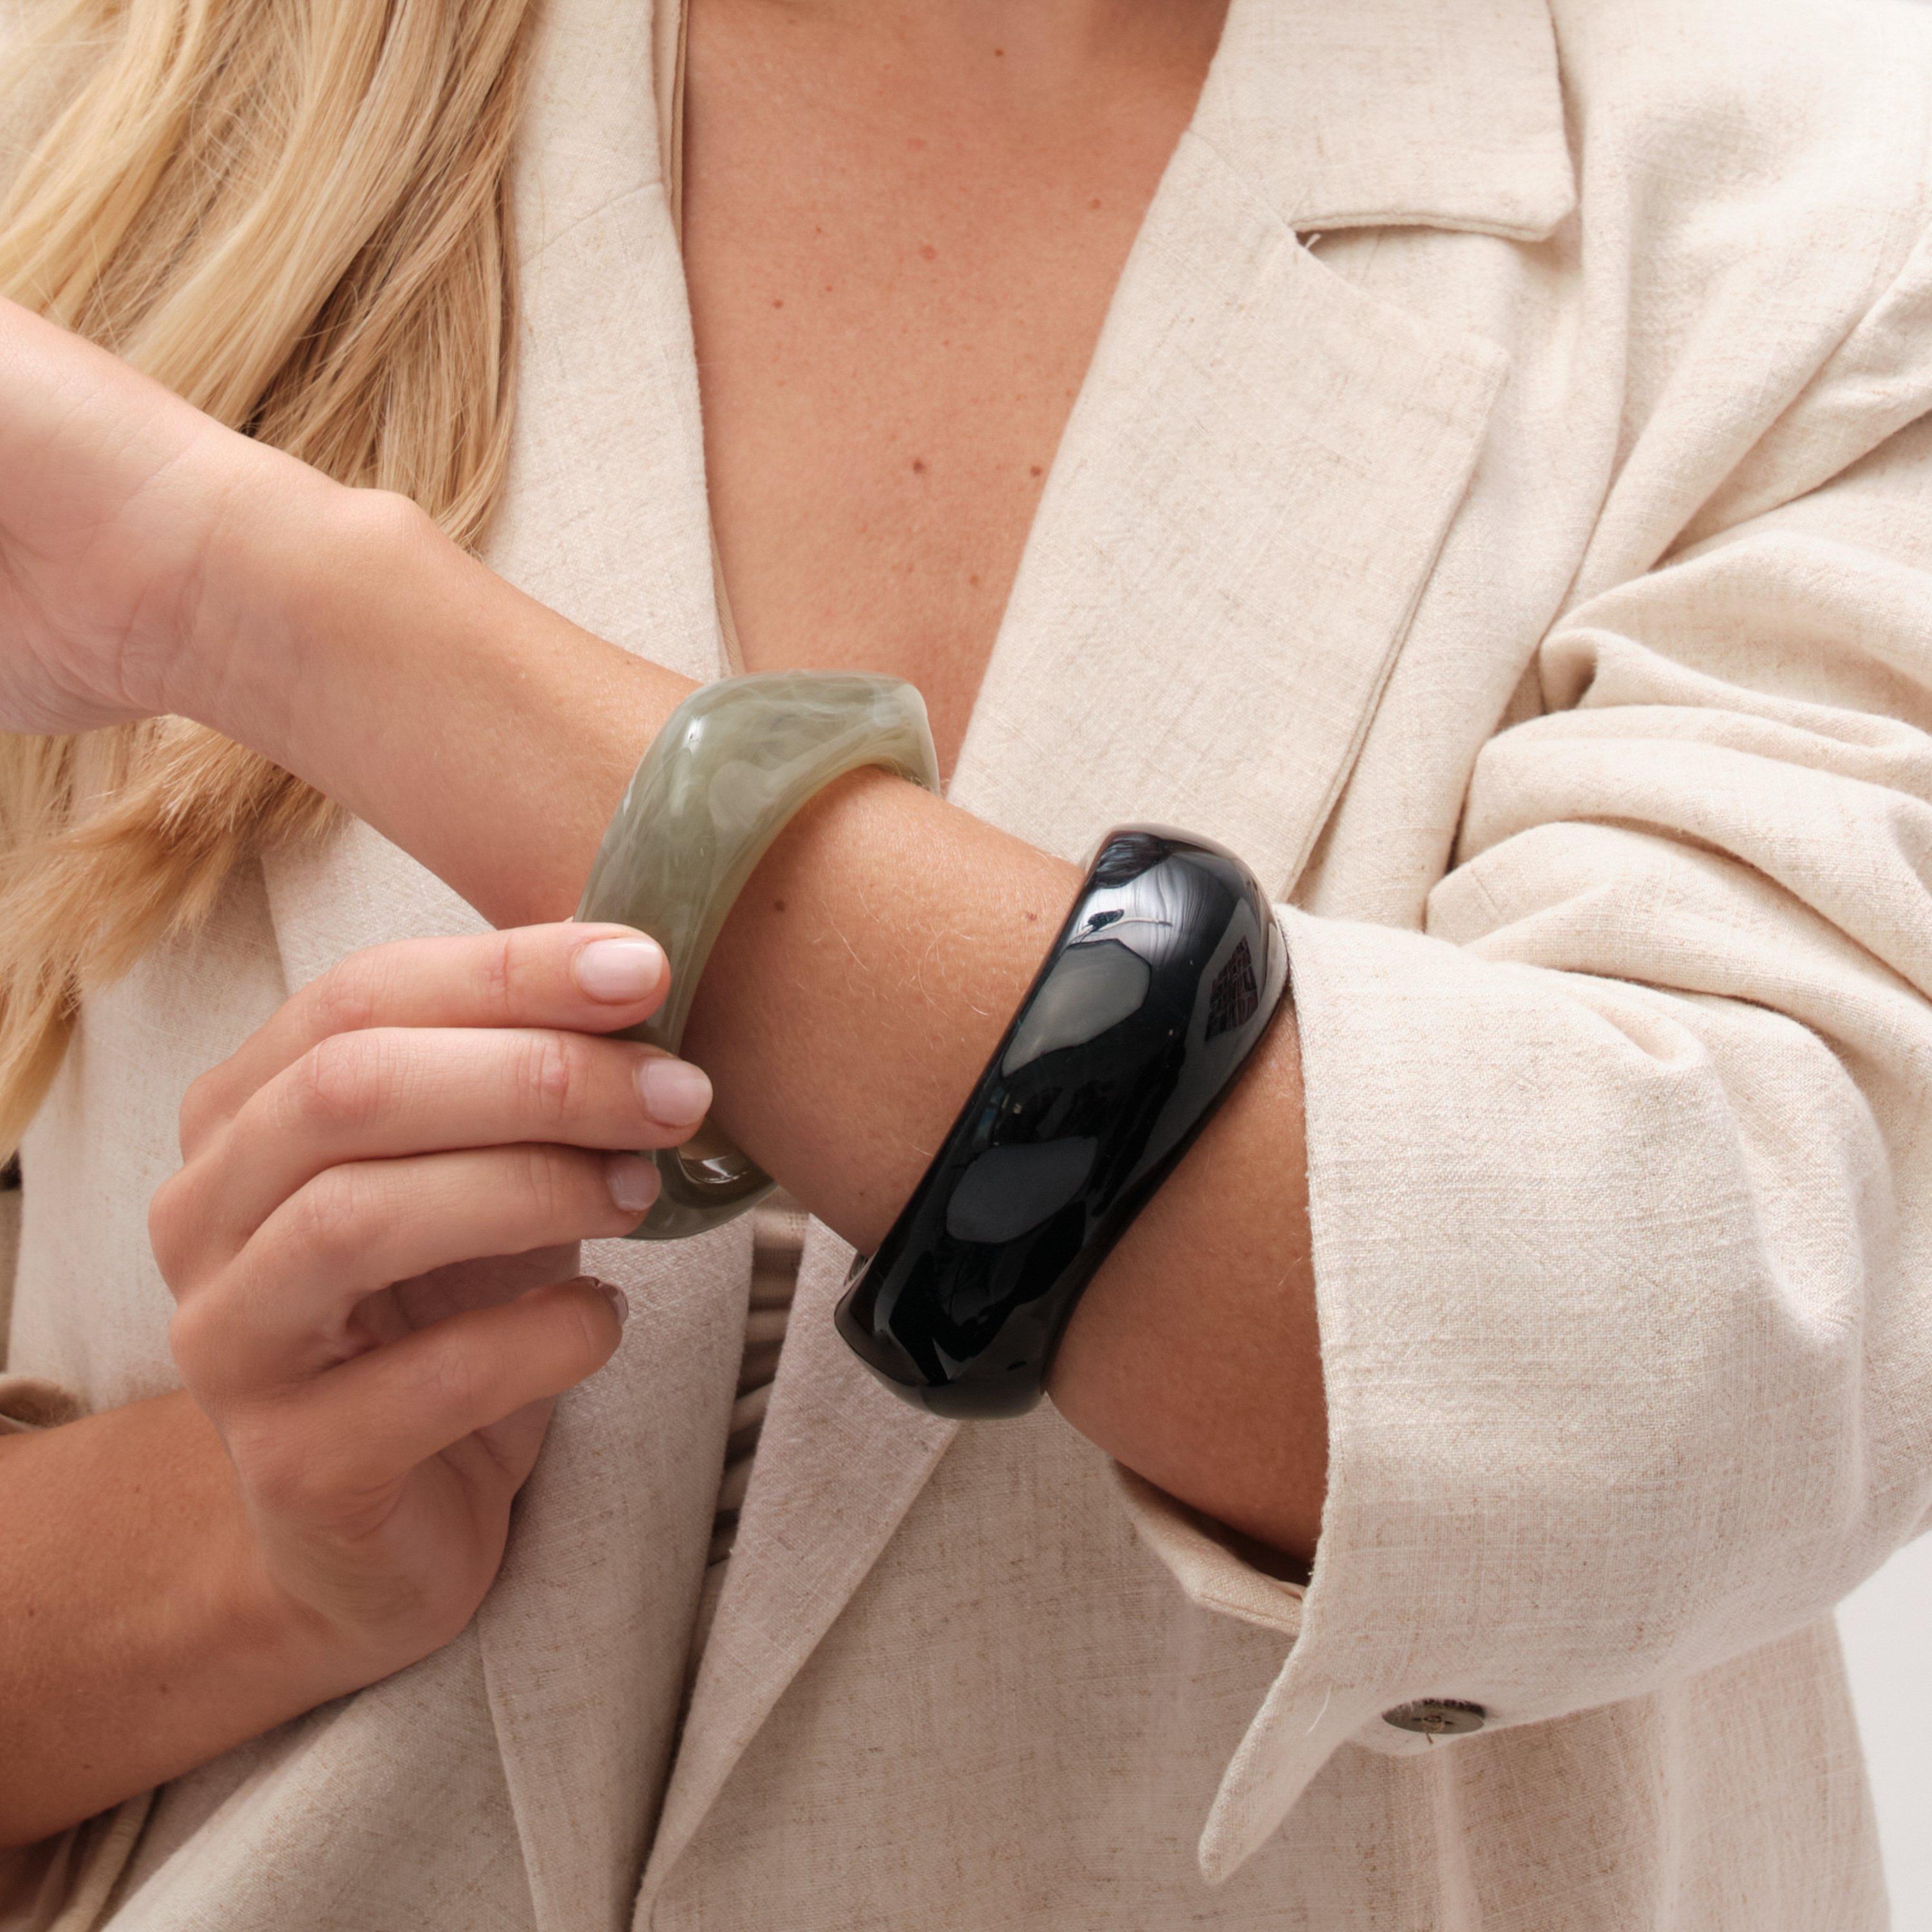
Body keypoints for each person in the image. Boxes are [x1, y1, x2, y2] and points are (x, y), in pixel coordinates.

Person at [1, 0, 1929, 1924]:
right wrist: (241, 1563)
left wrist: (265, 601)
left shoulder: (1817, 211)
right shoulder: (100, 121)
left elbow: (1683, 1373)